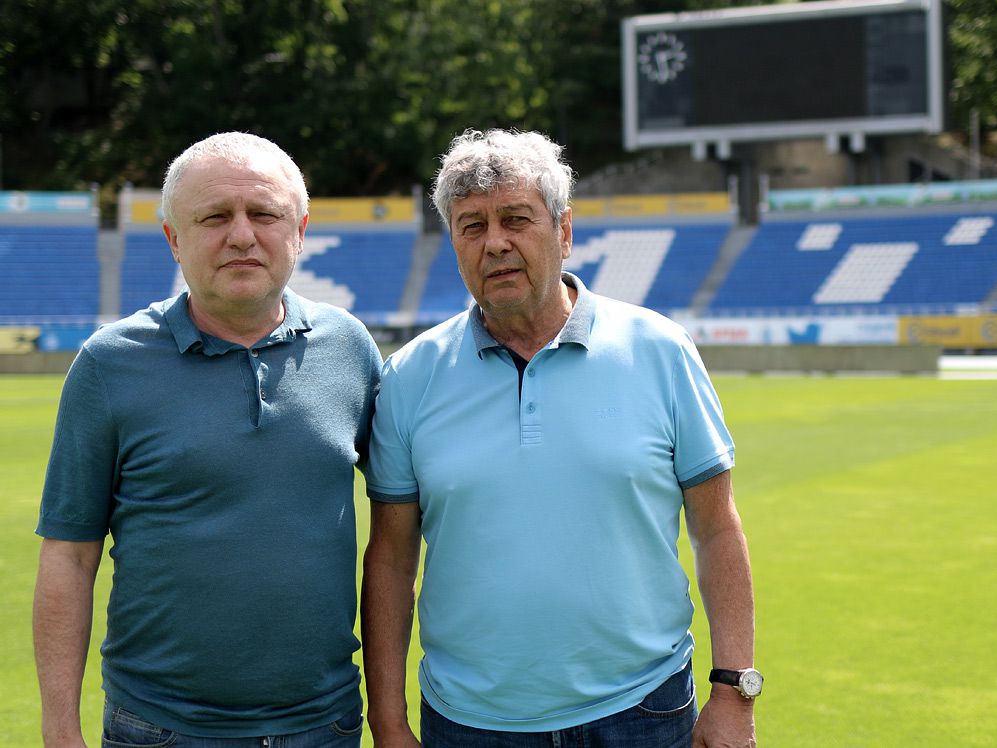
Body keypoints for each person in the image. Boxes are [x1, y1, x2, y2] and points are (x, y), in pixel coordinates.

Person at [362, 128, 759, 747]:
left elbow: (716, 527)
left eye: (516, 219)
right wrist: (387, 721)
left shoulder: (660, 351)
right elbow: (390, 559)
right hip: (469, 723)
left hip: (642, 711)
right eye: (471, 226)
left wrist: (734, 690)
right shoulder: (410, 375)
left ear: (564, 231)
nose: (495, 243)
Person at [32, 131, 382, 747]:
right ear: (173, 238)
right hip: (160, 729)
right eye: (215, 216)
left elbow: (401, 524)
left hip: (323, 725)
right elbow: (69, 553)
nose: (242, 235)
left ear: (299, 229)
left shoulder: (350, 348)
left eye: (264, 214)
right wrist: (60, 726)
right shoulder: (110, 364)